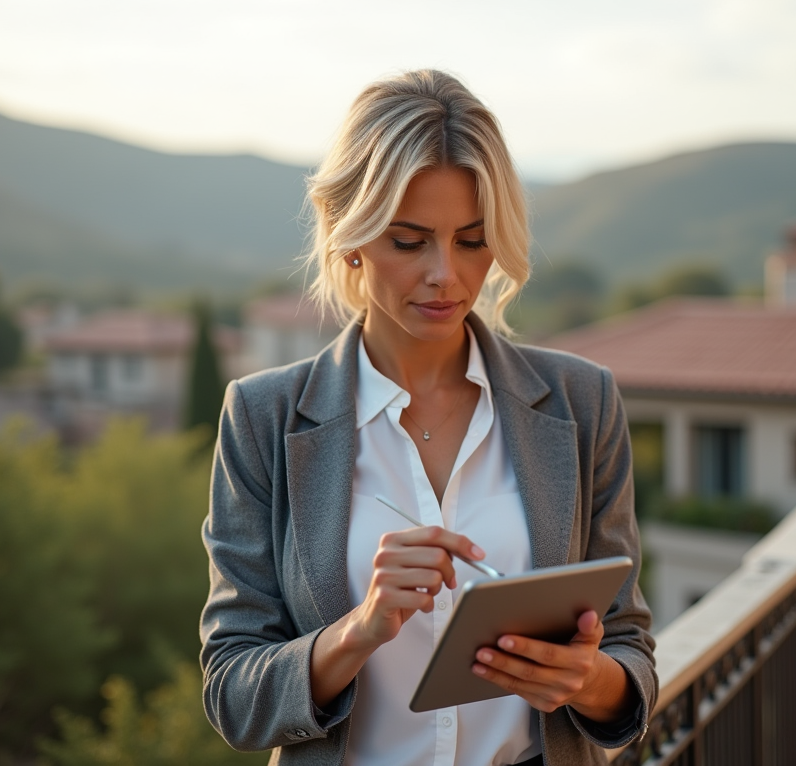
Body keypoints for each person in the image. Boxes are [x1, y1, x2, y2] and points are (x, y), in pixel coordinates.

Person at [200, 69, 655, 766]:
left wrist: (587, 679)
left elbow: (628, 647)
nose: (446, 274)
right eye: (410, 241)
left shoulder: (581, 402)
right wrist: (359, 629)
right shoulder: (263, 419)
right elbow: (232, 692)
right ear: (349, 236)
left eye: (472, 241)